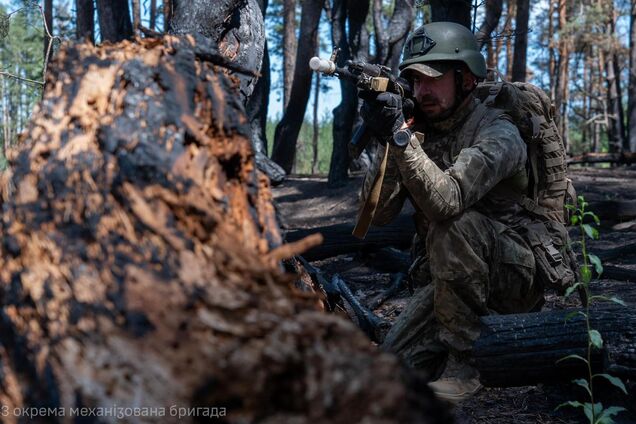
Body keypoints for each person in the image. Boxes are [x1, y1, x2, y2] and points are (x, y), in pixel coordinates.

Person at [356, 22, 576, 403]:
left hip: (515, 277)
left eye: (432, 79)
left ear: (467, 78)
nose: (421, 90)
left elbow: (448, 202)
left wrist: (402, 137)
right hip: (453, 279)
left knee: (453, 225)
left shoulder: (499, 130)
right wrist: (390, 137)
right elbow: (380, 216)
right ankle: (455, 337)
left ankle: (466, 363)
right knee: (388, 372)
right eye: (414, 81)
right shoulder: (420, 127)